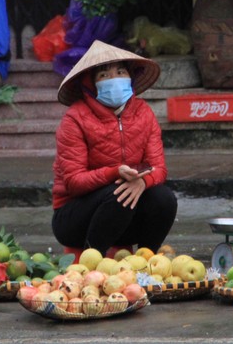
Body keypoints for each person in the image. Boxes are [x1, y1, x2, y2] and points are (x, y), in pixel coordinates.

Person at [51, 40, 178, 255]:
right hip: (75, 218)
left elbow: (159, 168)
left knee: (163, 198)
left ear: (130, 78)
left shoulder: (144, 113)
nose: (114, 79)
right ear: (91, 85)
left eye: (120, 72)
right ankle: (93, 263)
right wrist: (114, 172)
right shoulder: (75, 118)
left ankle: (146, 261)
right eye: (104, 75)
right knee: (118, 192)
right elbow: (74, 182)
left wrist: (143, 182)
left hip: (125, 216)